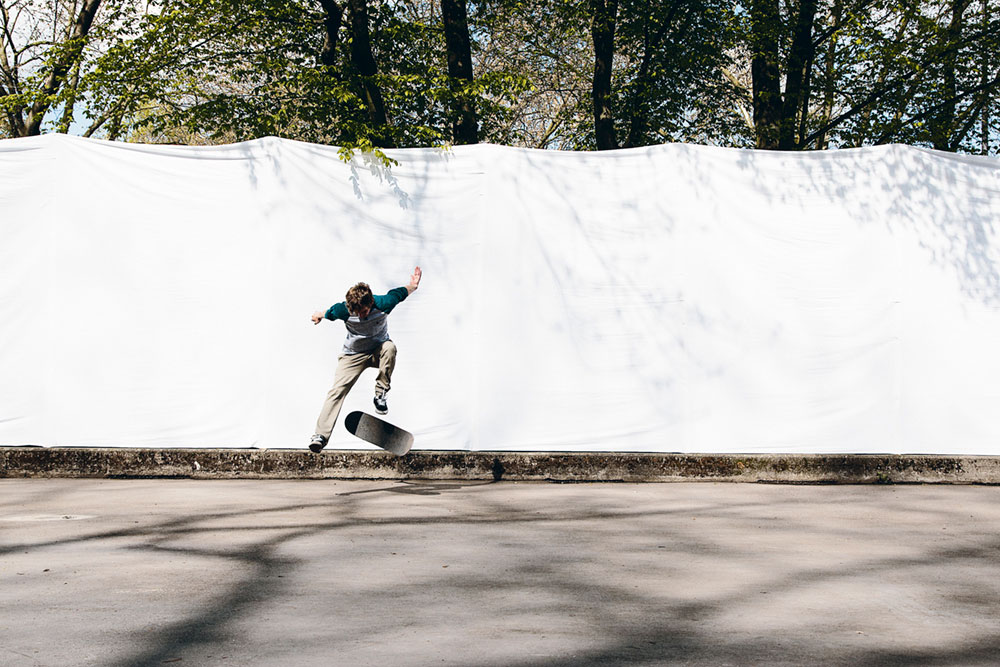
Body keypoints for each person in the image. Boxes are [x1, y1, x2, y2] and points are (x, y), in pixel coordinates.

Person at [308, 267, 422, 452]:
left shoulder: (384, 303)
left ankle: (380, 394)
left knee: (390, 347)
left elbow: (401, 293)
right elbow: (327, 312)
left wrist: (413, 286)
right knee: (337, 390)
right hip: (353, 355)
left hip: (378, 350)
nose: (361, 315)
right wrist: (318, 315)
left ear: (371, 303)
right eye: (357, 312)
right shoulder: (343, 310)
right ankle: (320, 436)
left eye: (365, 311)